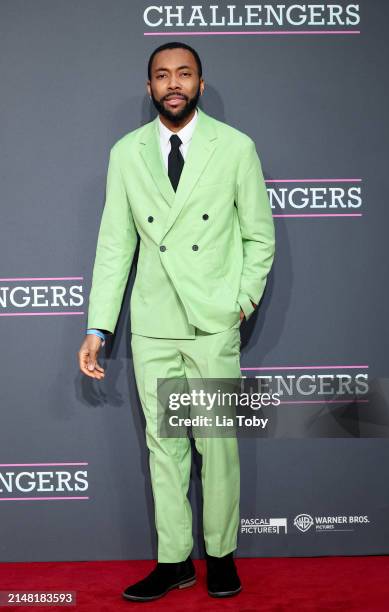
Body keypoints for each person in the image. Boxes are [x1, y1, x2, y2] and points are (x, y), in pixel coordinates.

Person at [78, 41, 275, 602]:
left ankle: (221, 557)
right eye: (162, 75)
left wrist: (240, 301)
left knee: (219, 445)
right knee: (165, 450)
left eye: (183, 74)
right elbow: (115, 246)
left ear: (200, 85)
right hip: (156, 323)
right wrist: (99, 327)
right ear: (149, 88)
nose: (173, 83)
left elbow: (259, 235)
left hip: (213, 322)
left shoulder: (235, 148)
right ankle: (173, 561)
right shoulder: (126, 153)